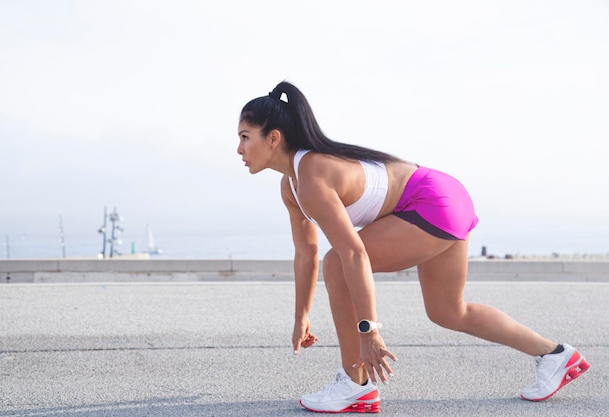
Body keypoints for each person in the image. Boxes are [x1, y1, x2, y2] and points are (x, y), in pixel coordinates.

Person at [237, 81, 590, 413]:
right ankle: (555, 355)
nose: (239, 149)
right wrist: (301, 318)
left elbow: (353, 254)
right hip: (445, 194)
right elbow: (305, 254)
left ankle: (356, 385)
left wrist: (368, 330)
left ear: (273, 138)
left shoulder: (312, 174)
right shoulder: (292, 187)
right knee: (449, 311)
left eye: (245, 137)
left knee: (337, 264)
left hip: (430, 200)